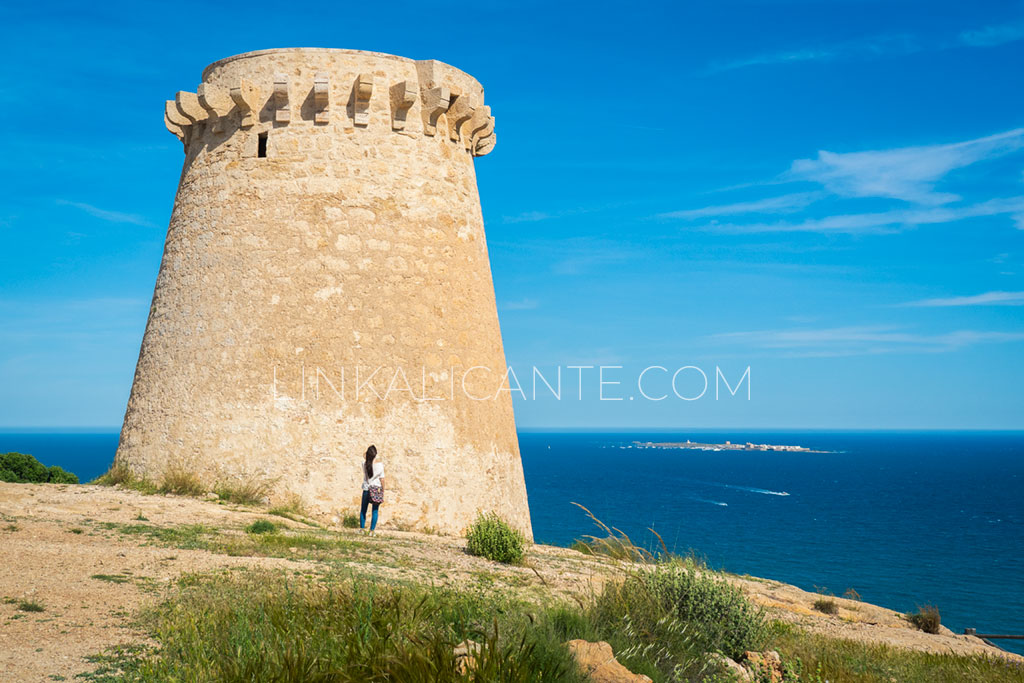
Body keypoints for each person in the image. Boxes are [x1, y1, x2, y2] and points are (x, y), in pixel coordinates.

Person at [360, 444, 384, 535]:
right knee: (375, 510)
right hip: (376, 488)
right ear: (376, 454)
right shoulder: (380, 466)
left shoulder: (364, 464)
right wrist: (383, 490)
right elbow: (382, 479)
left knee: (363, 509)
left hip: (366, 488)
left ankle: (362, 529)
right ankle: (372, 530)